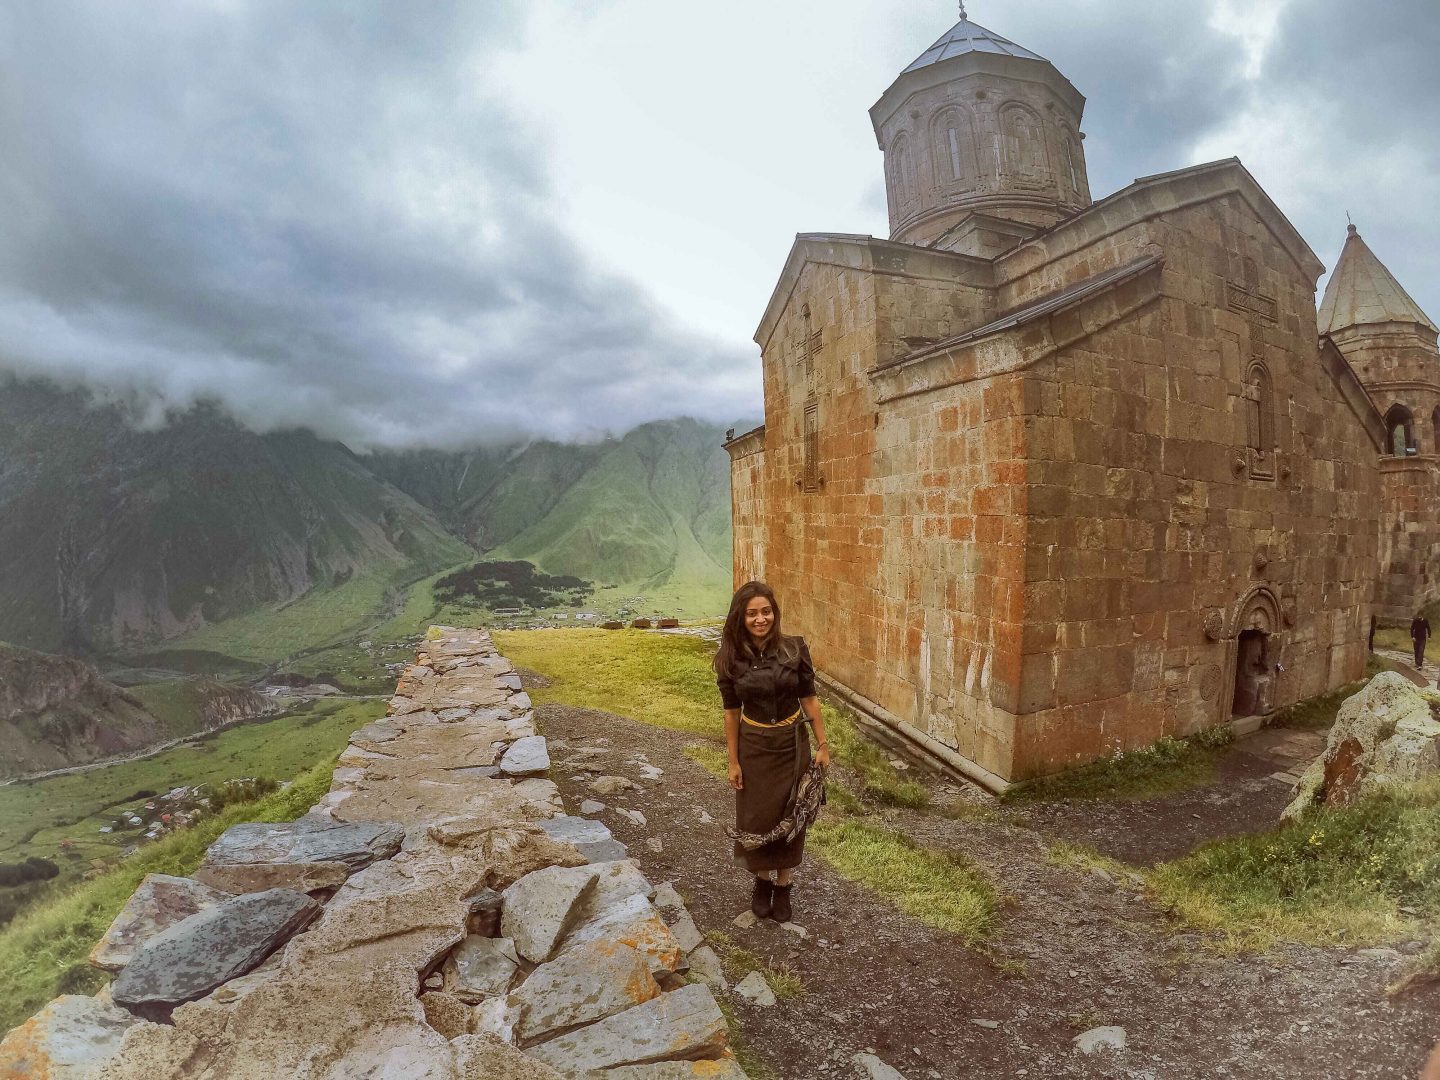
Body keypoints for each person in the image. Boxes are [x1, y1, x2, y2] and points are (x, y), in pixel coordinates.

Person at [715, 581, 830, 923]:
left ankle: (784, 885)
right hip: (754, 748)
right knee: (757, 817)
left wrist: (822, 745)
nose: (760, 619)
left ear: (774, 614)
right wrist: (733, 760)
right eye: (752, 613)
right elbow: (731, 713)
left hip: (792, 746)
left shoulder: (795, 649)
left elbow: (809, 698)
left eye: (766, 611)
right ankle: (761, 882)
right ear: (741, 617)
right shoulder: (729, 660)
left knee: (792, 815)